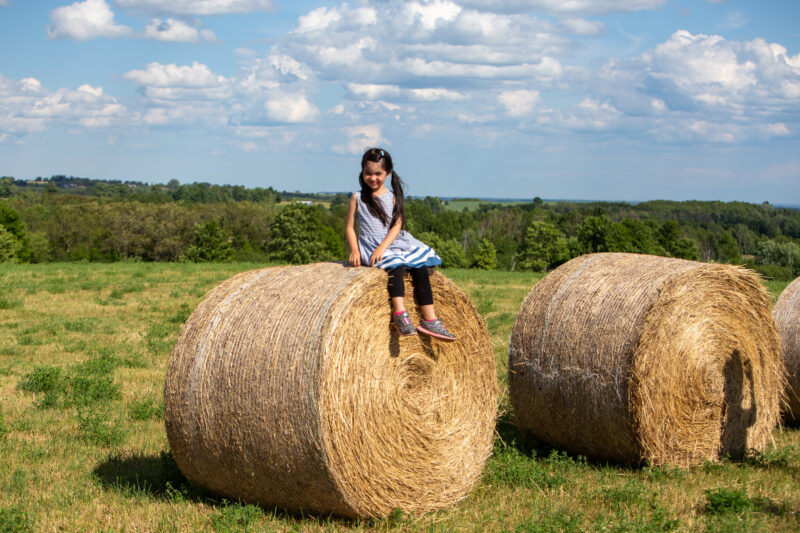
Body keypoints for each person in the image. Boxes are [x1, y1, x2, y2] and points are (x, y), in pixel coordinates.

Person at [346, 147, 456, 341]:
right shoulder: (357, 198)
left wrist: (383, 247)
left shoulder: (393, 196)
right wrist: (355, 250)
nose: (373, 178)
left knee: (420, 268)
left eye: (378, 173)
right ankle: (400, 314)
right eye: (368, 173)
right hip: (370, 246)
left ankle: (430, 319)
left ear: (387, 174)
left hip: (392, 242)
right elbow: (349, 227)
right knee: (395, 267)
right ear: (362, 173)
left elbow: (397, 225)